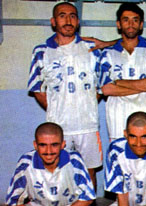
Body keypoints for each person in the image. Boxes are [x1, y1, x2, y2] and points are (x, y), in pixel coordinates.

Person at [28, 2, 102, 191]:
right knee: (60, 171)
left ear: (77, 21)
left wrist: (86, 105)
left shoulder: (92, 48)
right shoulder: (41, 51)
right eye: (62, 15)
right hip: (59, 126)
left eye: (72, 16)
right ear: (54, 21)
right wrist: (58, 109)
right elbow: (37, 89)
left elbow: (101, 87)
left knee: (88, 171)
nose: (68, 20)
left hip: (88, 125)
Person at [0, 122, 96, 206]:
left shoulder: (74, 160)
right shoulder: (26, 162)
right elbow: (12, 202)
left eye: (54, 145)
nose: (49, 151)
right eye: (43, 145)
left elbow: (88, 197)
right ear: (35, 145)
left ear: (63, 144)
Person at [99, 3, 146, 141]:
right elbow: (106, 89)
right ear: (119, 24)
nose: (130, 24)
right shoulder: (107, 54)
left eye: (135, 20)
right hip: (118, 118)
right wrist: (142, 85)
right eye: (126, 20)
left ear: (141, 25)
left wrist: (119, 83)